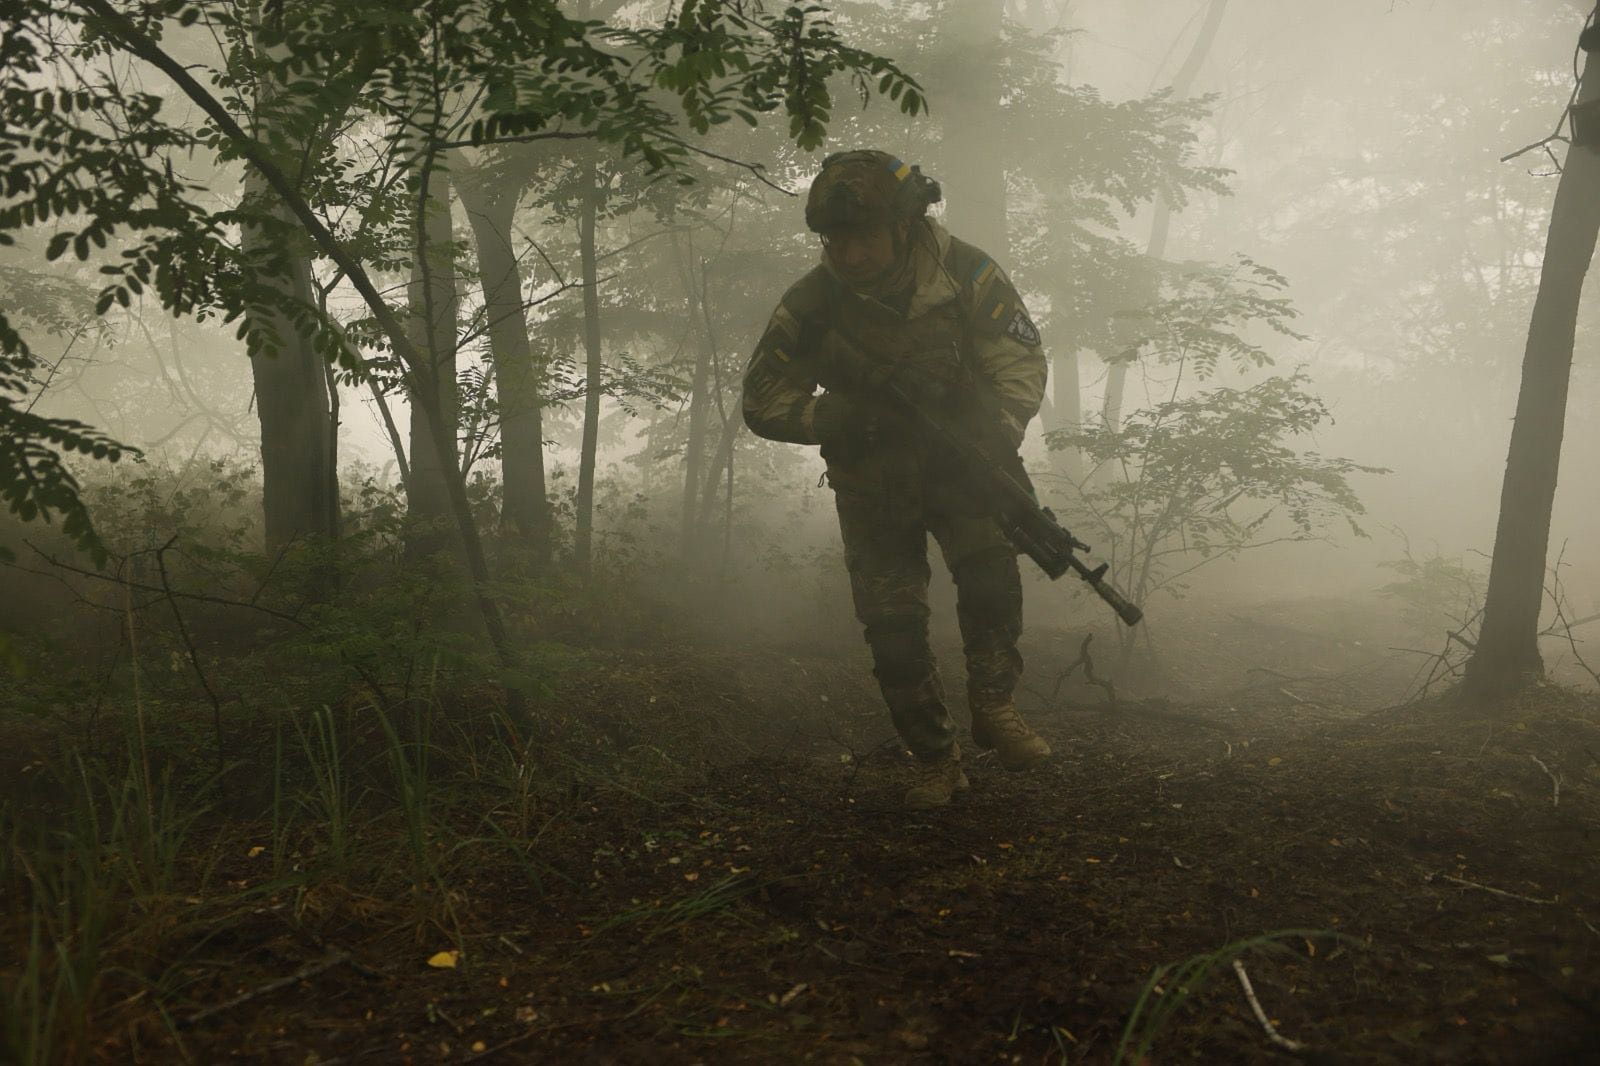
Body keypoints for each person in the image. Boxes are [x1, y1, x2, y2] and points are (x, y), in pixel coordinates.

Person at [741, 149, 1051, 809]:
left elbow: (1019, 354)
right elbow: (763, 397)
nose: (848, 253)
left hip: (964, 463)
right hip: (872, 481)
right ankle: (936, 761)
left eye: (863, 237)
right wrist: (834, 416)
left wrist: (995, 431)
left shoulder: (965, 272)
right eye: (835, 239)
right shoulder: (813, 302)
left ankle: (995, 705)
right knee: (893, 629)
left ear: (904, 227)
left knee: (993, 581)